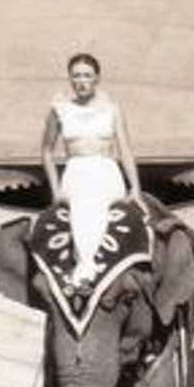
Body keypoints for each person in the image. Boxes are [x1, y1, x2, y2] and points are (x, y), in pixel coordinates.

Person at [41, 53, 146, 285]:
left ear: (97, 78)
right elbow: (47, 151)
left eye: (87, 75)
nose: (81, 81)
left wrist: (135, 189)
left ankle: (87, 268)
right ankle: (84, 268)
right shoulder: (60, 109)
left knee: (94, 200)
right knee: (82, 201)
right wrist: (55, 190)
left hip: (106, 171)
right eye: (76, 76)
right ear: (69, 79)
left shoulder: (112, 108)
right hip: (76, 170)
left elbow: (125, 149)